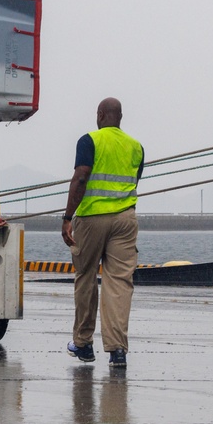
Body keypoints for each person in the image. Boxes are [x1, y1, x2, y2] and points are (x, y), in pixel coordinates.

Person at [62, 97, 144, 368]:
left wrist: (67, 217)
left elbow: (82, 177)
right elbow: (134, 180)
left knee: (85, 277)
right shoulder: (136, 147)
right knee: (119, 283)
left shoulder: (89, 141)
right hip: (125, 220)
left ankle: (83, 344)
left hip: (92, 218)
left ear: (100, 115)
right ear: (120, 117)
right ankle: (117, 350)